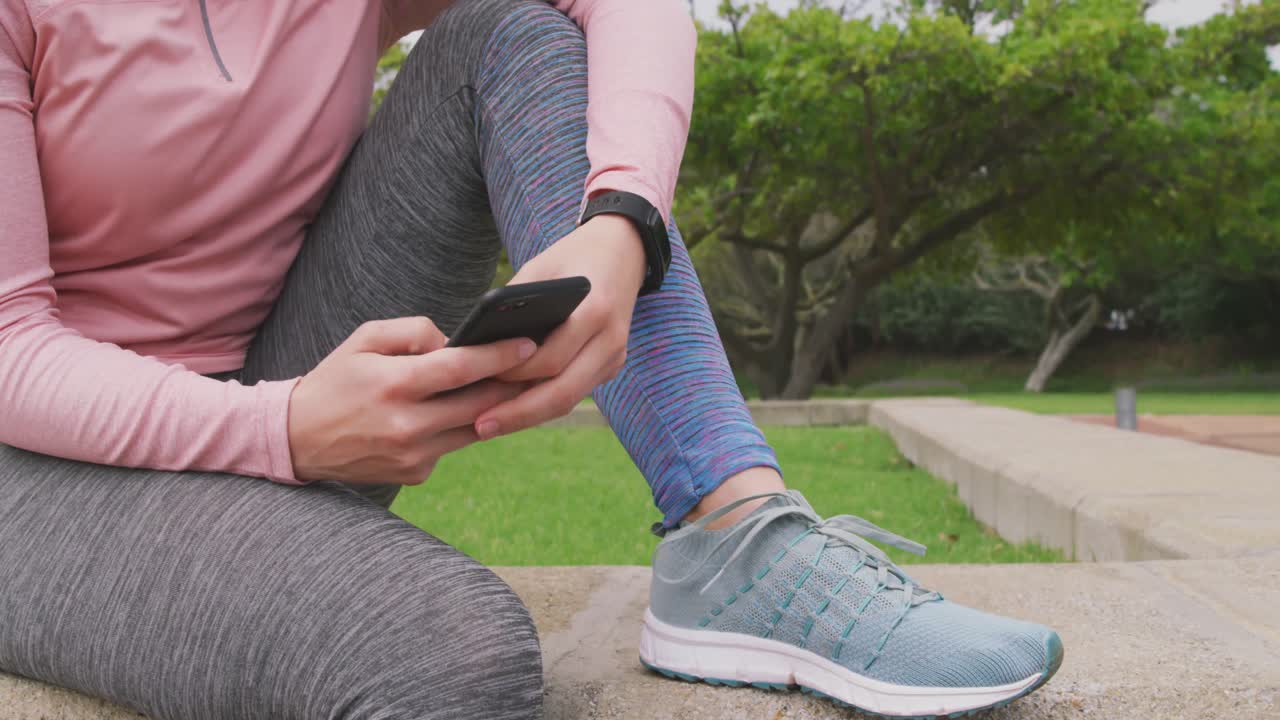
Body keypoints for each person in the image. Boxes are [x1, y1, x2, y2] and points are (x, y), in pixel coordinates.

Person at [0, 0, 1063, 717]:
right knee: (447, 655)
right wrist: (278, 426)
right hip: (36, 469)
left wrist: (622, 217)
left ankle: (737, 534)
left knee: (507, 30)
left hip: (280, 367)